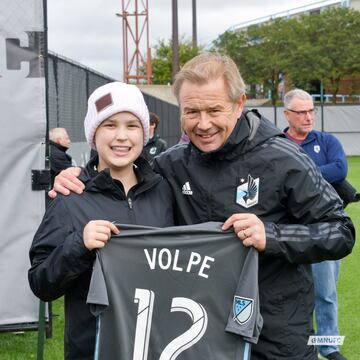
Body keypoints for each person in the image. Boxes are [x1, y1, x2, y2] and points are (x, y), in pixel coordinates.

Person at [49, 54, 355, 360]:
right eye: (192, 111)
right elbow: (123, 170)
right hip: (199, 334)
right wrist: (78, 175)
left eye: (214, 110)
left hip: (274, 336)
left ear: (239, 104)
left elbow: (341, 231)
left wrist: (272, 237)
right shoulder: (172, 164)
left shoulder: (284, 158)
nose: (203, 124)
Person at [28, 82, 174, 360]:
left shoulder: (165, 191)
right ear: (93, 135)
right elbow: (40, 283)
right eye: (109, 125)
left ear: (145, 133)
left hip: (157, 347)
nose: (122, 136)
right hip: (93, 350)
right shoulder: (70, 196)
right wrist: (78, 245)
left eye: (132, 125)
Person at [283, 88, 348, 360]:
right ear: (287, 115)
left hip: (325, 227)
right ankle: (300, 344)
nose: (308, 117)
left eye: (311, 111)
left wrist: (301, 174)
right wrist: (317, 175)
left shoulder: (327, 140)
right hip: (288, 228)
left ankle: (329, 347)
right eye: (301, 112)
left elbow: (340, 169)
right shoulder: (278, 143)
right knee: (289, 294)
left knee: (326, 294)